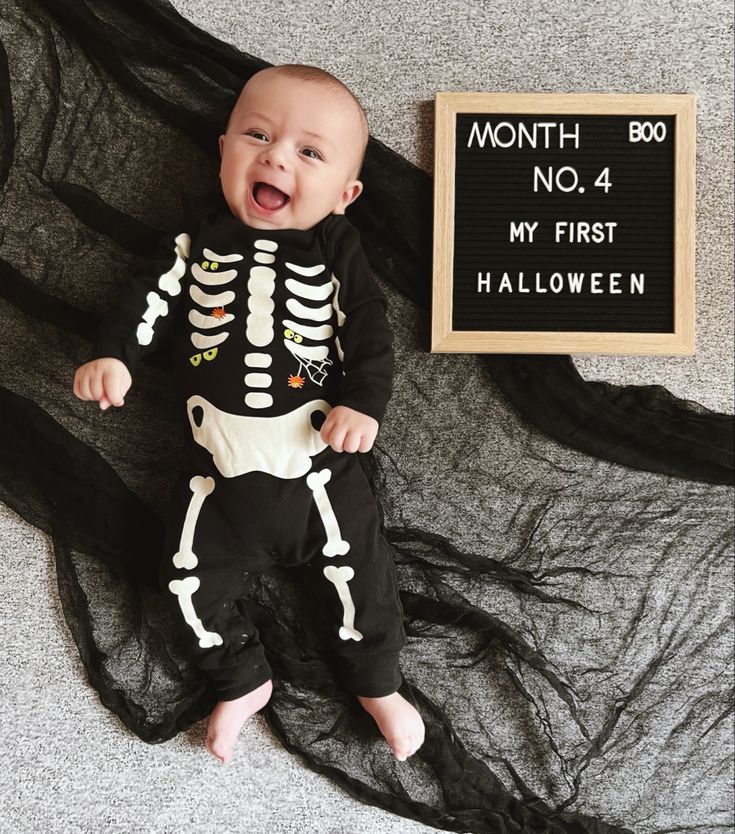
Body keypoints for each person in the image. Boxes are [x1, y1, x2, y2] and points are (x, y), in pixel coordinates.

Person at [72, 64, 425, 766]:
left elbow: (368, 329)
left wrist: (363, 400)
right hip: (217, 482)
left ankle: (378, 683)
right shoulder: (192, 241)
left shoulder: (335, 248)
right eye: (257, 136)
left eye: (309, 152)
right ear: (224, 147)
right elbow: (148, 302)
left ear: (345, 194)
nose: (275, 157)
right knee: (178, 580)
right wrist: (115, 356)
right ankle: (241, 679)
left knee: (364, 580)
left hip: (321, 471)